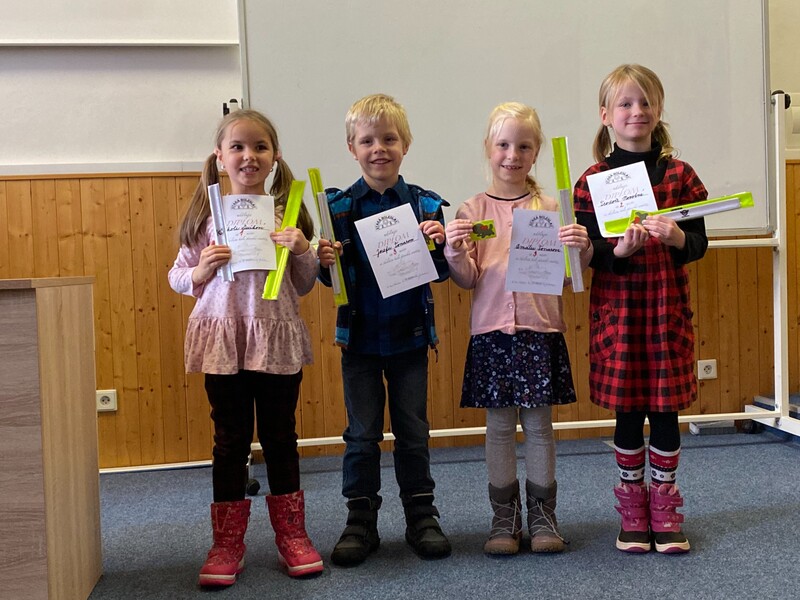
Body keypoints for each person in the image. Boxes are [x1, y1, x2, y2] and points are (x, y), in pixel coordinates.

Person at [168, 109, 323, 586]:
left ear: (275, 156)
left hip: (274, 337)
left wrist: (303, 249)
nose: (248, 156)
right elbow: (178, 274)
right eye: (237, 147)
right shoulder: (206, 218)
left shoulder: (287, 215)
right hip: (224, 340)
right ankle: (227, 543)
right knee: (229, 441)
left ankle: (292, 535)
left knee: (280, 437)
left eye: (259, 147)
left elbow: (305, 282)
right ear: (220, 157)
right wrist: (199, 271)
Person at [444, 102, 591, 555]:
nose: (513, 155)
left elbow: (569, 278)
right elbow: (467, 278)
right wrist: (454, 251)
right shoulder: (472, 210)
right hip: (492, 334)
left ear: (536, 152)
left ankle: (544, 516)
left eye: (524, 146)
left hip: (539, 331)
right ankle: (504, 518)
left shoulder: (553, 208)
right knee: (499, 427)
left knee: (540, 427)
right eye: (503, 145)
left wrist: (582, 248)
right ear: (488, 148)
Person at [573, 64, 709, 554]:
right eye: (626, 104)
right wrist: (619, 251)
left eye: (646, 102)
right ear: (606, 115)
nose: (637, 111)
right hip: (620, 316)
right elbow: (588, 252)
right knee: (628, 411)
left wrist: (677, 238)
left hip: (666, 312)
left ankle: (665, 510)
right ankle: (632, 511)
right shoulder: (592, 181)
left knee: (665, 410)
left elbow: (699, 242)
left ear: (659, 110)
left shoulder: (681, 175)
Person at [316, 93, 451, 566]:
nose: (379, 148)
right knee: (361, 435)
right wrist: (325, 260)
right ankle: (360, 519)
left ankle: (421, 515)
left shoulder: (426, 204)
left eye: (390, 139)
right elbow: (327, 280)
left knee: (413, 431)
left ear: (405, 145)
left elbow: (442, 273)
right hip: (360, 341)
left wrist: (440, 245)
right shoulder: (336, 207)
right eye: (368, 140)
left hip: (410, 337)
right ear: (352, 148)